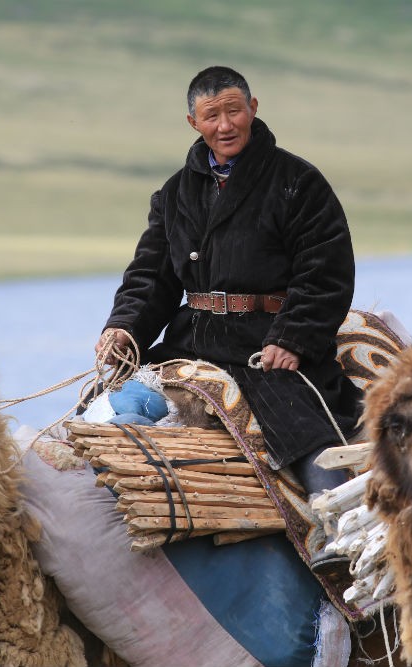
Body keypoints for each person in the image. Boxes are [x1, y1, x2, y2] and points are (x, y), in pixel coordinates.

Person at [95, 66, 360, 501]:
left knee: (300, 428)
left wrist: (292, 338)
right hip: (193, 339)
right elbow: (151, 276)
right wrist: (124, 328)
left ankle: (336, 525)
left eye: (234, 111)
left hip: (266, 345)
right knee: (109, 401)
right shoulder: (175, 193)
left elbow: (325, 270)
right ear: (193, 123)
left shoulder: (297, 182)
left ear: (252, 109)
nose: (224, 125)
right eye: (211, 116)